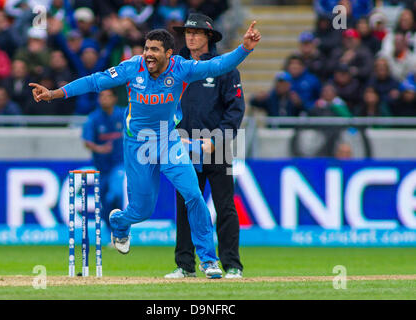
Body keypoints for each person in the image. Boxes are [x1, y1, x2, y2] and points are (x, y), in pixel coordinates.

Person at [29, 22, 261, 279]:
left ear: (169, 54)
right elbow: (95, 82)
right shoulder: (132, 66)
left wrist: (245, 49)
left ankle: (208, 260)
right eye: (146, 48)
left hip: (169, 141)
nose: (148, 54)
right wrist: (54, 94)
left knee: (193, 195)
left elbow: (217, 66)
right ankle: (119, 222)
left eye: (155, 50)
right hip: (138, 145)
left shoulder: (182, 68)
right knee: (142, 210)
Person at [163, 13, 244, 280]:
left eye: (197, 33)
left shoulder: (224, 67)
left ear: (209, 37)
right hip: (183, 146)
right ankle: (185, 265)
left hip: (217, 146)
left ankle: (232, 264)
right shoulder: (174, 67)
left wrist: (216, 139)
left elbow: (235, 110)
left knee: (225, 206)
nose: (191, 37)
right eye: (188, 33)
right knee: (186, 205)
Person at [82, 89, 126, 228]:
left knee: (116, 193)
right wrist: (100, 149)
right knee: (105, 200)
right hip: (101, 166)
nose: (104, 99)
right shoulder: (93, 118)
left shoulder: (123, 114)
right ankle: (112, 231)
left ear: (114, 99)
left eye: (108, 96)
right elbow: (87, 141)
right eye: (102, 96)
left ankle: (120, 228)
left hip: (119, 163)